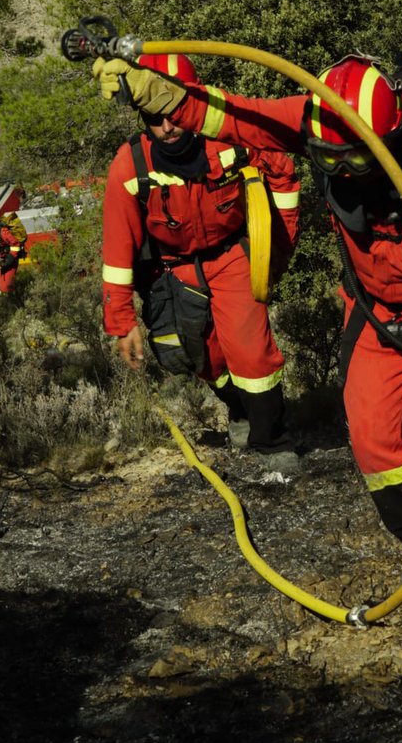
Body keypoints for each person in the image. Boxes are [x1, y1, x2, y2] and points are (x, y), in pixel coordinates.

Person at [95, 52, 402, 588]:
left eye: (351, 162)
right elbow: (237, 116)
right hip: (377, 314)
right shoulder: (316, 115)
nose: (339, 173)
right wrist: (161, 95)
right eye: (327, 160)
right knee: (375, 442)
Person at [95, 52, 301, 472]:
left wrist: (274, 250)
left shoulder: (229, 139)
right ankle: (239, 409)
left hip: (230, 257)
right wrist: (121, 323)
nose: (168, 126)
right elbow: (118, 252)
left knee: (251, 351)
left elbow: (282, 168)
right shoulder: (130, 165)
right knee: (199, 356)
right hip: (172, 270)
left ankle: (271, 443)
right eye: (155, 116)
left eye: (174, 111)